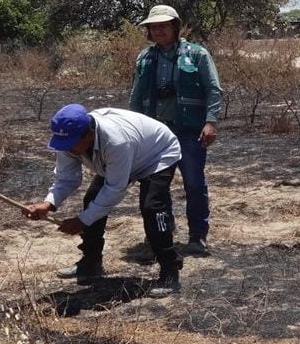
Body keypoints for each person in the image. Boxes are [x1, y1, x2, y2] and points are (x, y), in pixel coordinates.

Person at [23, 104, 184, 297]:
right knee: (92, 198)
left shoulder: (116, 141)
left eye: (73, 144)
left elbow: (115, 189)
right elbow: (67, 178)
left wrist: (82, 221)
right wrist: (48, 204)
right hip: (126, 155)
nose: (68, 150)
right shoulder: (68, 140)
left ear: (89, 134)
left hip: (157, 153)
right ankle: (91, 263)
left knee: (152, 206)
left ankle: (169, 270)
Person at [129, 5, 223, 258]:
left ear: (175, 27)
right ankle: (161, 236)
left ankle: (198, 237)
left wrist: (210, 122)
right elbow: (136, 96)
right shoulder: (145, 58)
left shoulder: (197, 54)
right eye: (153, 26)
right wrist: (134, 129)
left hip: (189, 131)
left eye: (163, 25)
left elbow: (213, 90)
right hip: (155, 133)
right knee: (155, 187)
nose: (158, 30)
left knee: (194, 183)